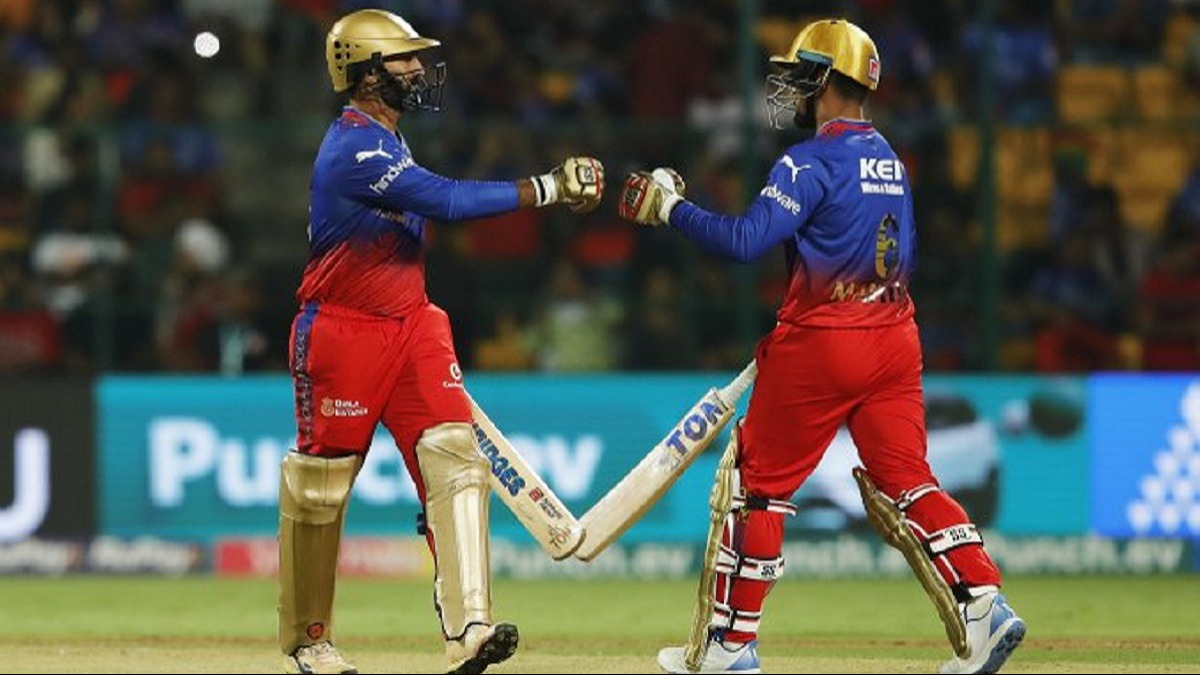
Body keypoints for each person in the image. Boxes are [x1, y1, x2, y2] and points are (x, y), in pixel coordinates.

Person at [618, 19, 1024, 675]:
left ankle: (730, 645)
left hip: (823, 343)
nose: (791, 90)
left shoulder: (807, 162)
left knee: (757, 487)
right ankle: (984, 604)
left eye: (800, 76)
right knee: (907, 479)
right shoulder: (891, 160)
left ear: (827, 80)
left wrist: (670, 210)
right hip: (895, 335)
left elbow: (746, 241)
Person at [278, 9, 603, 675]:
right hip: (344, 330)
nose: (419, 69)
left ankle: (469, 630)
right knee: (321, 489)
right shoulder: (353, 147)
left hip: (413, 323)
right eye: (404, 60)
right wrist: (547, 187)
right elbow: (446, 201)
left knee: (457, 463)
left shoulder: (390, 140)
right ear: (368, 73)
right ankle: (309, 641)